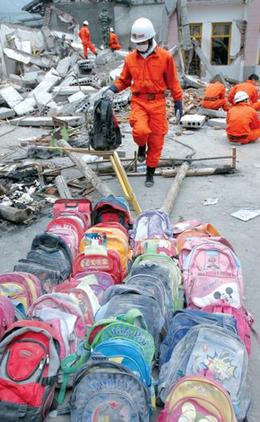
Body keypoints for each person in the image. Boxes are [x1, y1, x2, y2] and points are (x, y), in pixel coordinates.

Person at [103, 18, 183, 187]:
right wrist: (112, 89)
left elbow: (173, 81)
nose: (139, 45)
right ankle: (141, 146)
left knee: (156, 141)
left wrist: (178, 101)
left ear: (150, 38)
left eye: (142, 42)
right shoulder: (131, 59)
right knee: (140, 131)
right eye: (136, 42)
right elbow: (124, 80)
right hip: (139, 101)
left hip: (158, 103)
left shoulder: (165, 57)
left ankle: (149, 173)